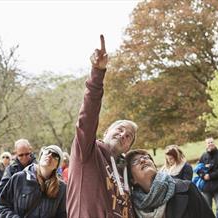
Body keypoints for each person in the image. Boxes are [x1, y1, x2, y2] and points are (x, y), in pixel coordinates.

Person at [67, 35, 138, 218]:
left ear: (128, 147)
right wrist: (97, 73)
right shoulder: (88, 152)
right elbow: (87, 117)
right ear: (106, 131)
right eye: (120, 129)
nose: (123, 134)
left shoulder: (125, 175)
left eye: (129, 136)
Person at [126, 149, 215, 218]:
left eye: (146, 157)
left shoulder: (186, 188)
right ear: (132, 180)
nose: (142, 160)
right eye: (135, 161)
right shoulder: (133, 209)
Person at [0, 145, 66, 218]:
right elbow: (1, 207)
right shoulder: (18, 178)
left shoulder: (62, 188)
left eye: (55, 155)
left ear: (57, 165)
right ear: (40, 157)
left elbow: (63, 215)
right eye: (47, 152)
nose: (50, 155)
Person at [199, 137, 218, 218]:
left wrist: (210, 176)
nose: (210, 144)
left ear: (214, 143)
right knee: (207, 208)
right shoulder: (203, 156)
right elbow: (199, 168)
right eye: (208, 142)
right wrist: (203, 175)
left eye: (211, 142)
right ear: (206, 144)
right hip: (206, 187)